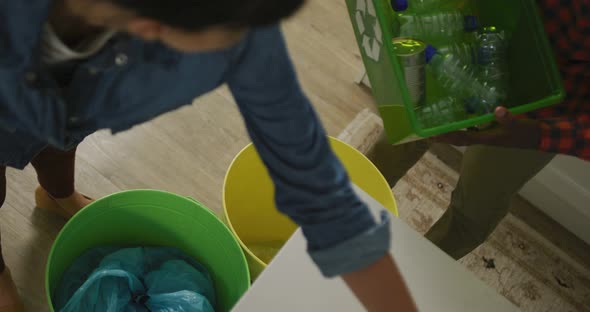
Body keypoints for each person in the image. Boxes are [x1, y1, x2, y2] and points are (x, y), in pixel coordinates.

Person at [0, 1, 417, 311]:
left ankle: (56, 194)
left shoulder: (237, 25)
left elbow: (315, 180)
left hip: (68, 104)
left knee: (60, 138)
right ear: (149, 27)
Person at [370, 0, 589, 260]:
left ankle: (415, 278)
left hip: (544, 111)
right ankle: (335, 222)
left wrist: (539, 135)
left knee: (473, 211)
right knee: (399, 141)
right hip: (468, 35)